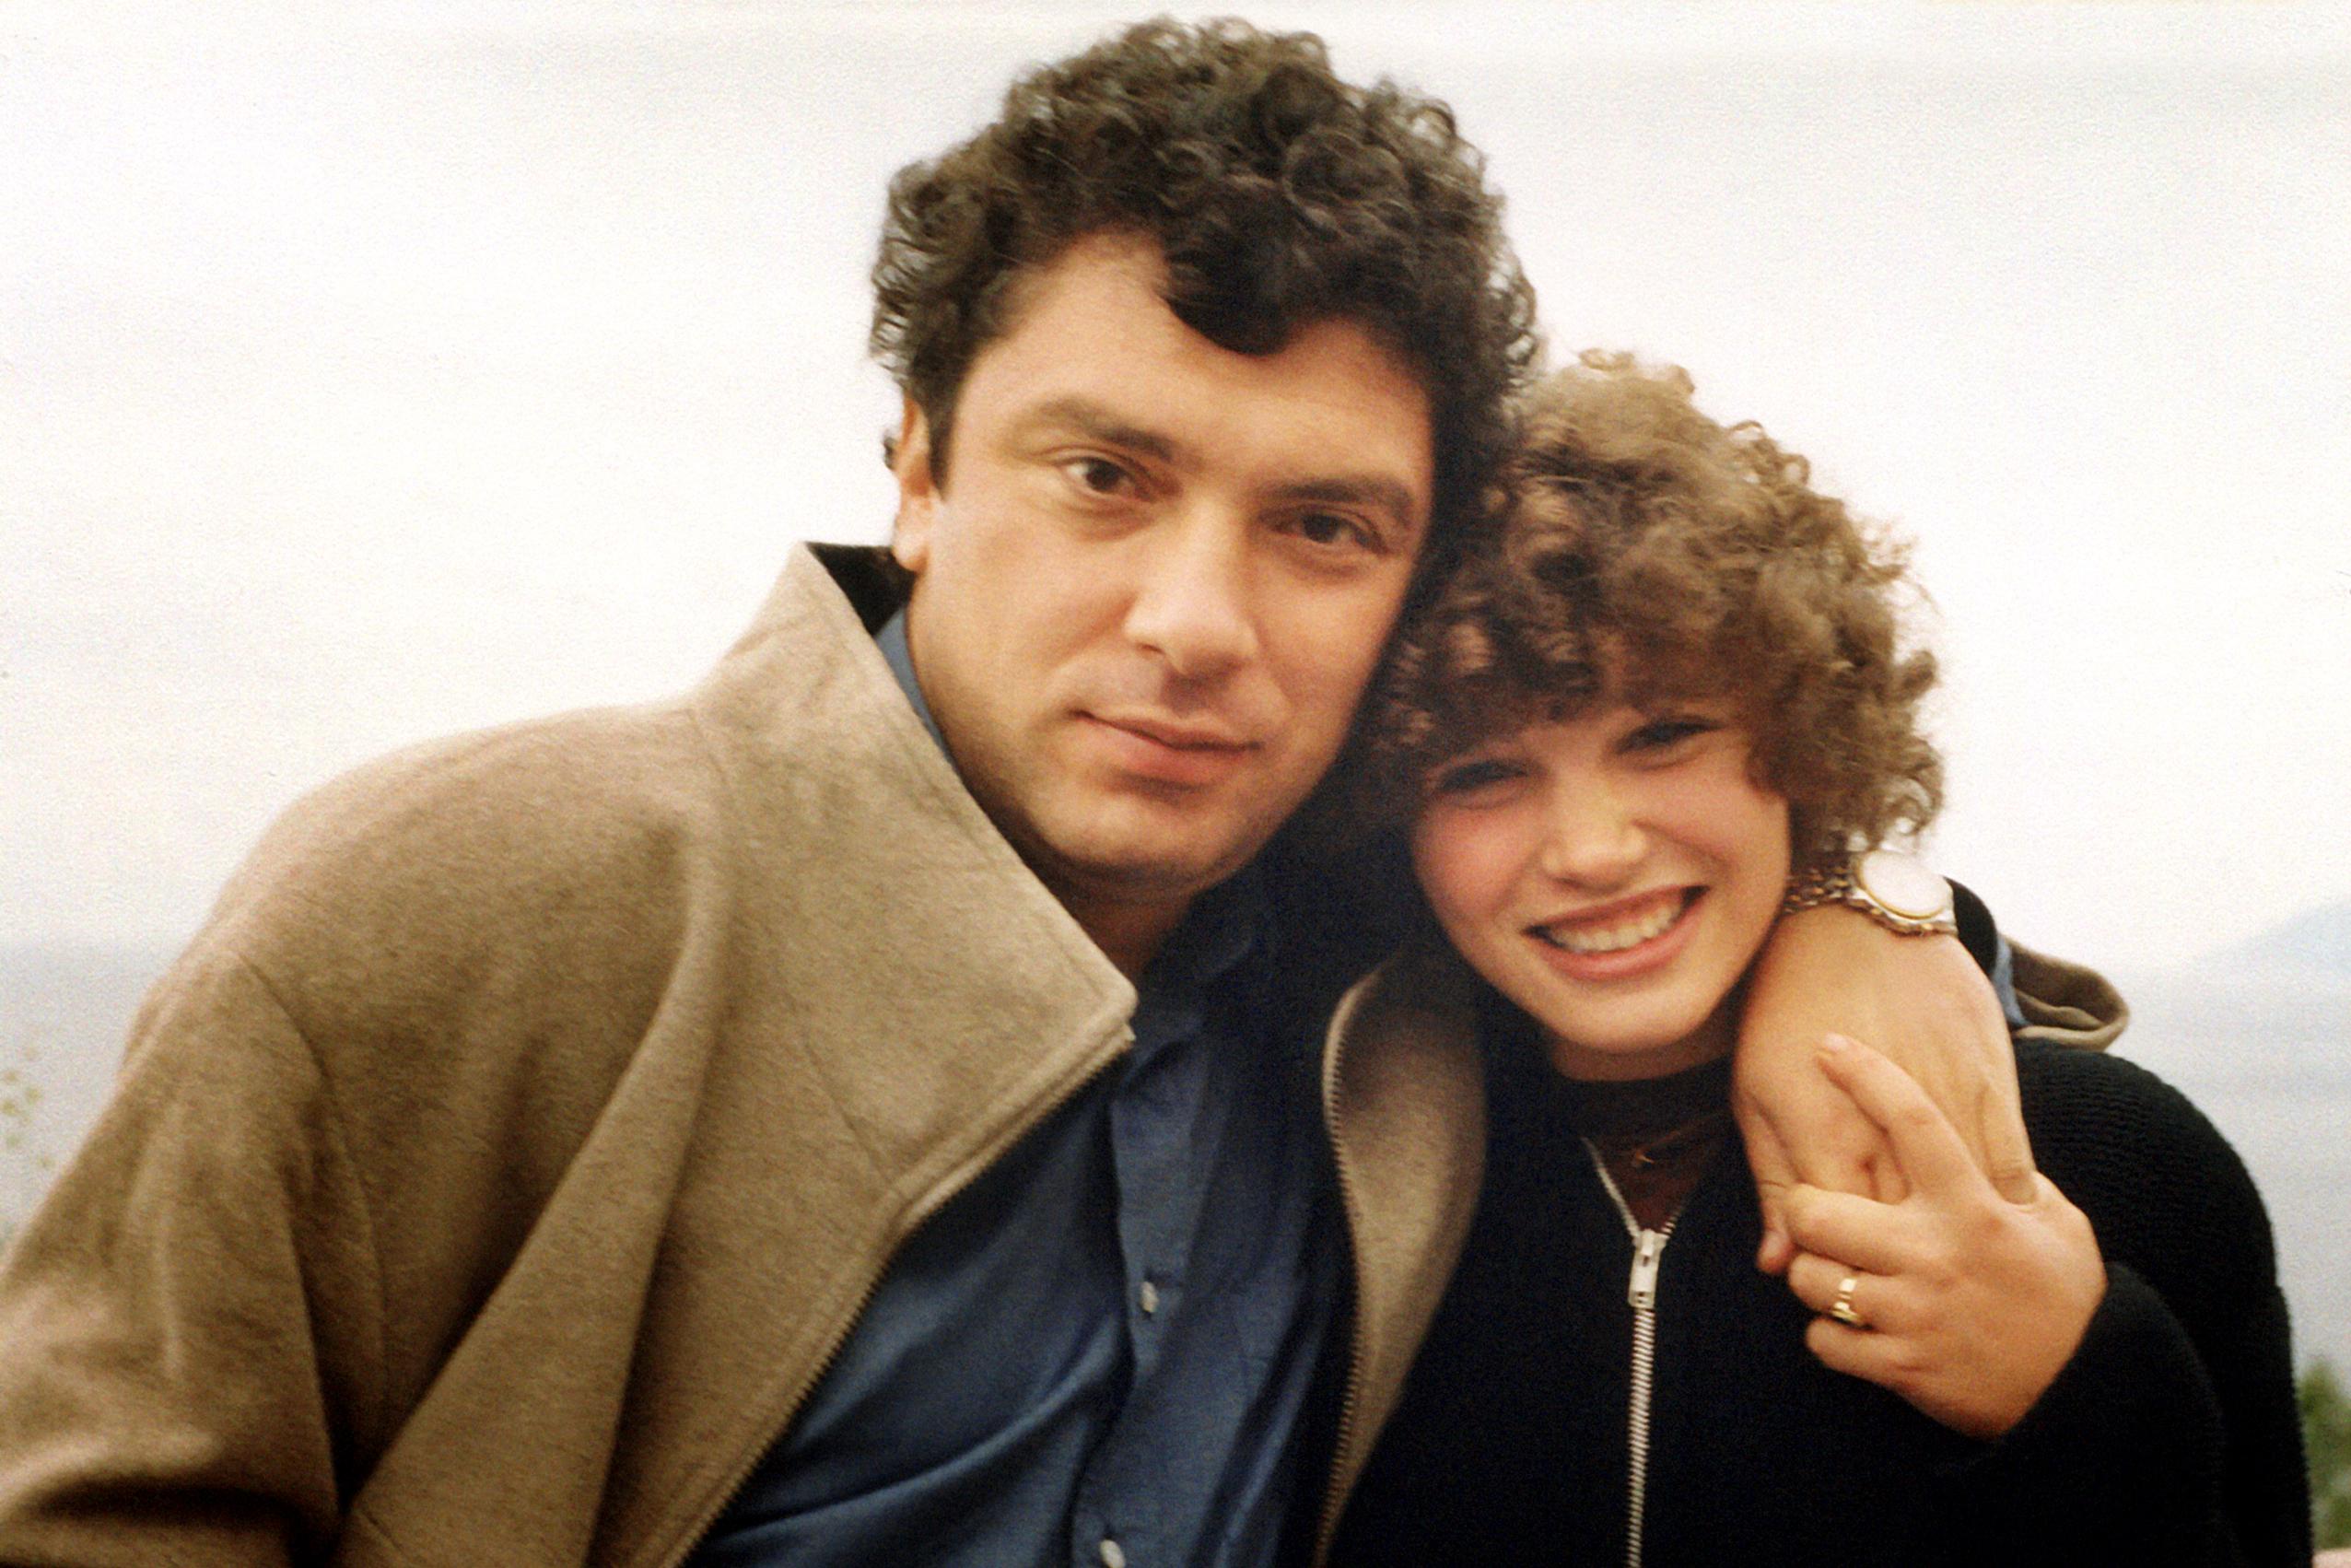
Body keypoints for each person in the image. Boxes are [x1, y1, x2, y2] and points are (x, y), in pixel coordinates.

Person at [0, 22, 2113, 1568]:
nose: (1195, 621)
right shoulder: (463, 907)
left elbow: (1642, 858)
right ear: (918, 466)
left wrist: (1873, 921)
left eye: (1322, 526)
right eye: (1105, 474)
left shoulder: (1375, 954)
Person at [1326, 354, 2309, 1566]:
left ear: (1803, 734)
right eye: (1480, 772)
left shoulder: (2113, 1160)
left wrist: (2078, 1394)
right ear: (1387, 812)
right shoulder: (1324, 1182)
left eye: (1665, 732)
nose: (1592, 849)